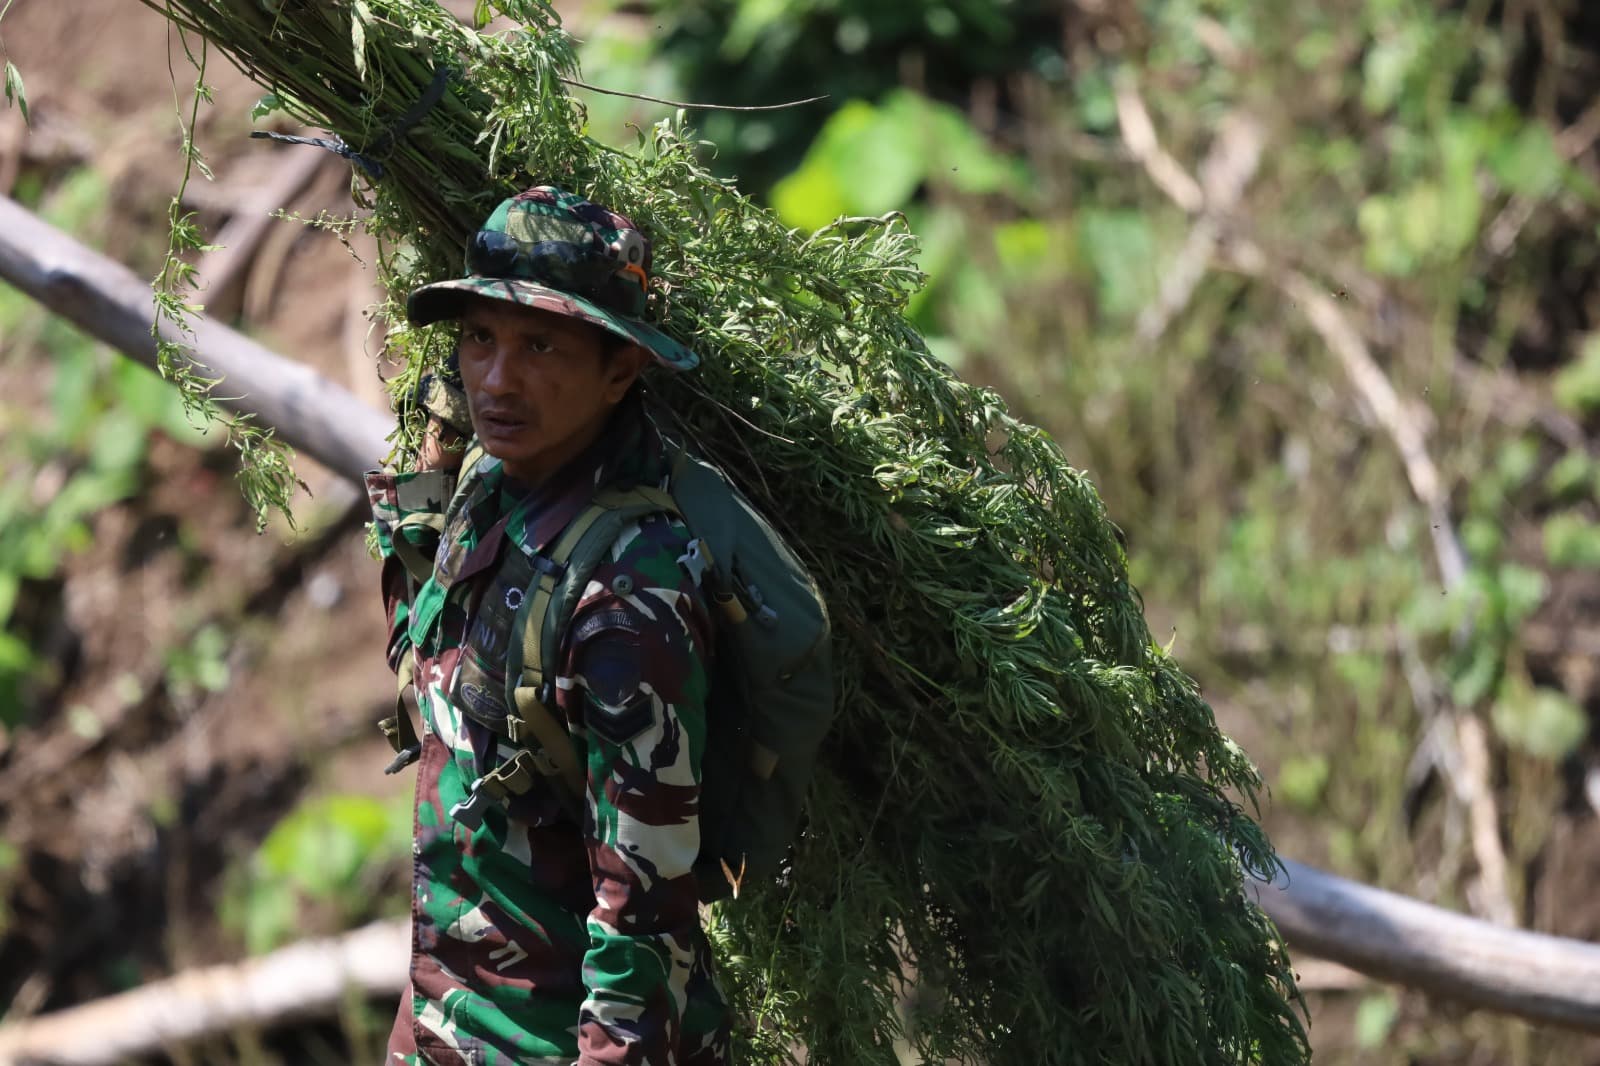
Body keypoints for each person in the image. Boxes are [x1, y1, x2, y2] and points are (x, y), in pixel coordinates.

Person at [365, 186, 731, 1066]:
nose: (497, 379)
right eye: (479, 339)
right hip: (443, 1023)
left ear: (619, 371)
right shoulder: (492, 487)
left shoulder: (628, 598)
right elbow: (426, 649)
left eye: (539, 345)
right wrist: (430, 456)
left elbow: (642, 916)